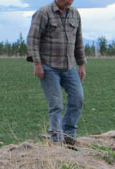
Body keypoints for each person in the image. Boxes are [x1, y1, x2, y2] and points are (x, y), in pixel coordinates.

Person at [27, 0, 86, 145]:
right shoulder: (43, 13)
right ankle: (56, 138)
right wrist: (37, 63)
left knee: (77, 99)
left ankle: (68, 135)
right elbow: (33, 39)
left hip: (69, 66)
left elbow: (78, 40)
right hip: (48, 66)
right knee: (56, 104)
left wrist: (81, 64)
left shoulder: (75, 14)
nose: (69, 2)